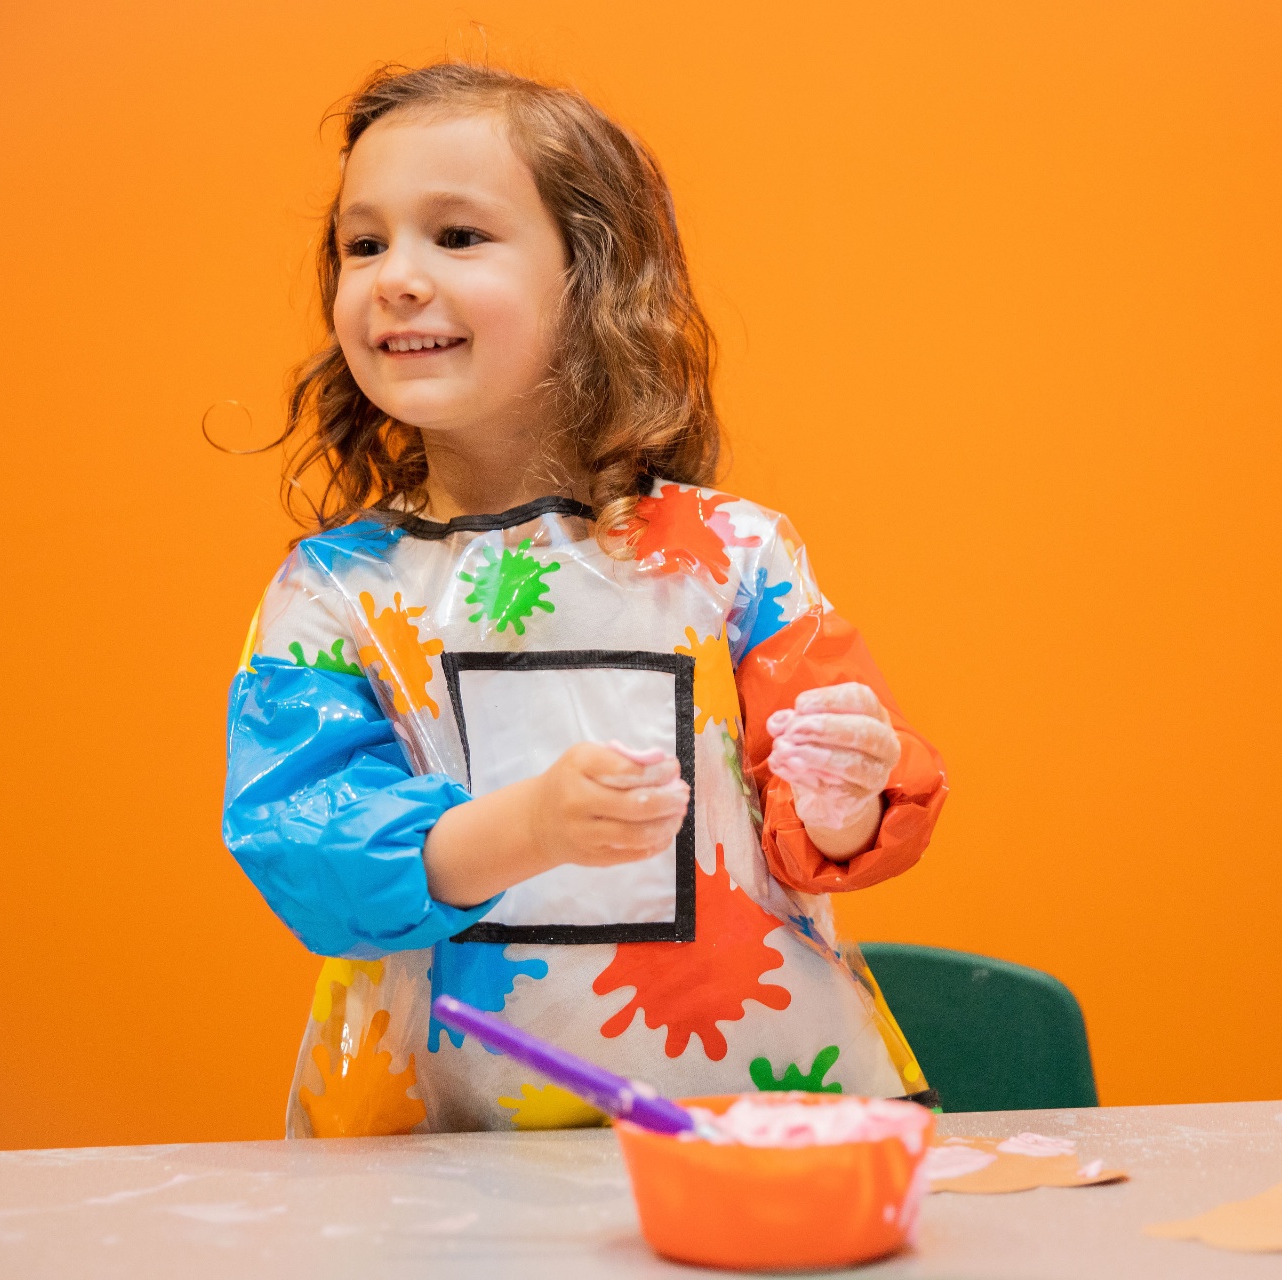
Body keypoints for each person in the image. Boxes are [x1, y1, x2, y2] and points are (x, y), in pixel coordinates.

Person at [223, 62, 947, 1136]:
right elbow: (312, 850)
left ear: (592, 277)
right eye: (363, 243)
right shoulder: (333, 594)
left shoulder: (736, 554)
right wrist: (529, 827)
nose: (397, 277)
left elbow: (822, 825)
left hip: (749, 1117)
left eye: (457, 237)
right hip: (442, 1139)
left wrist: (844, 791)